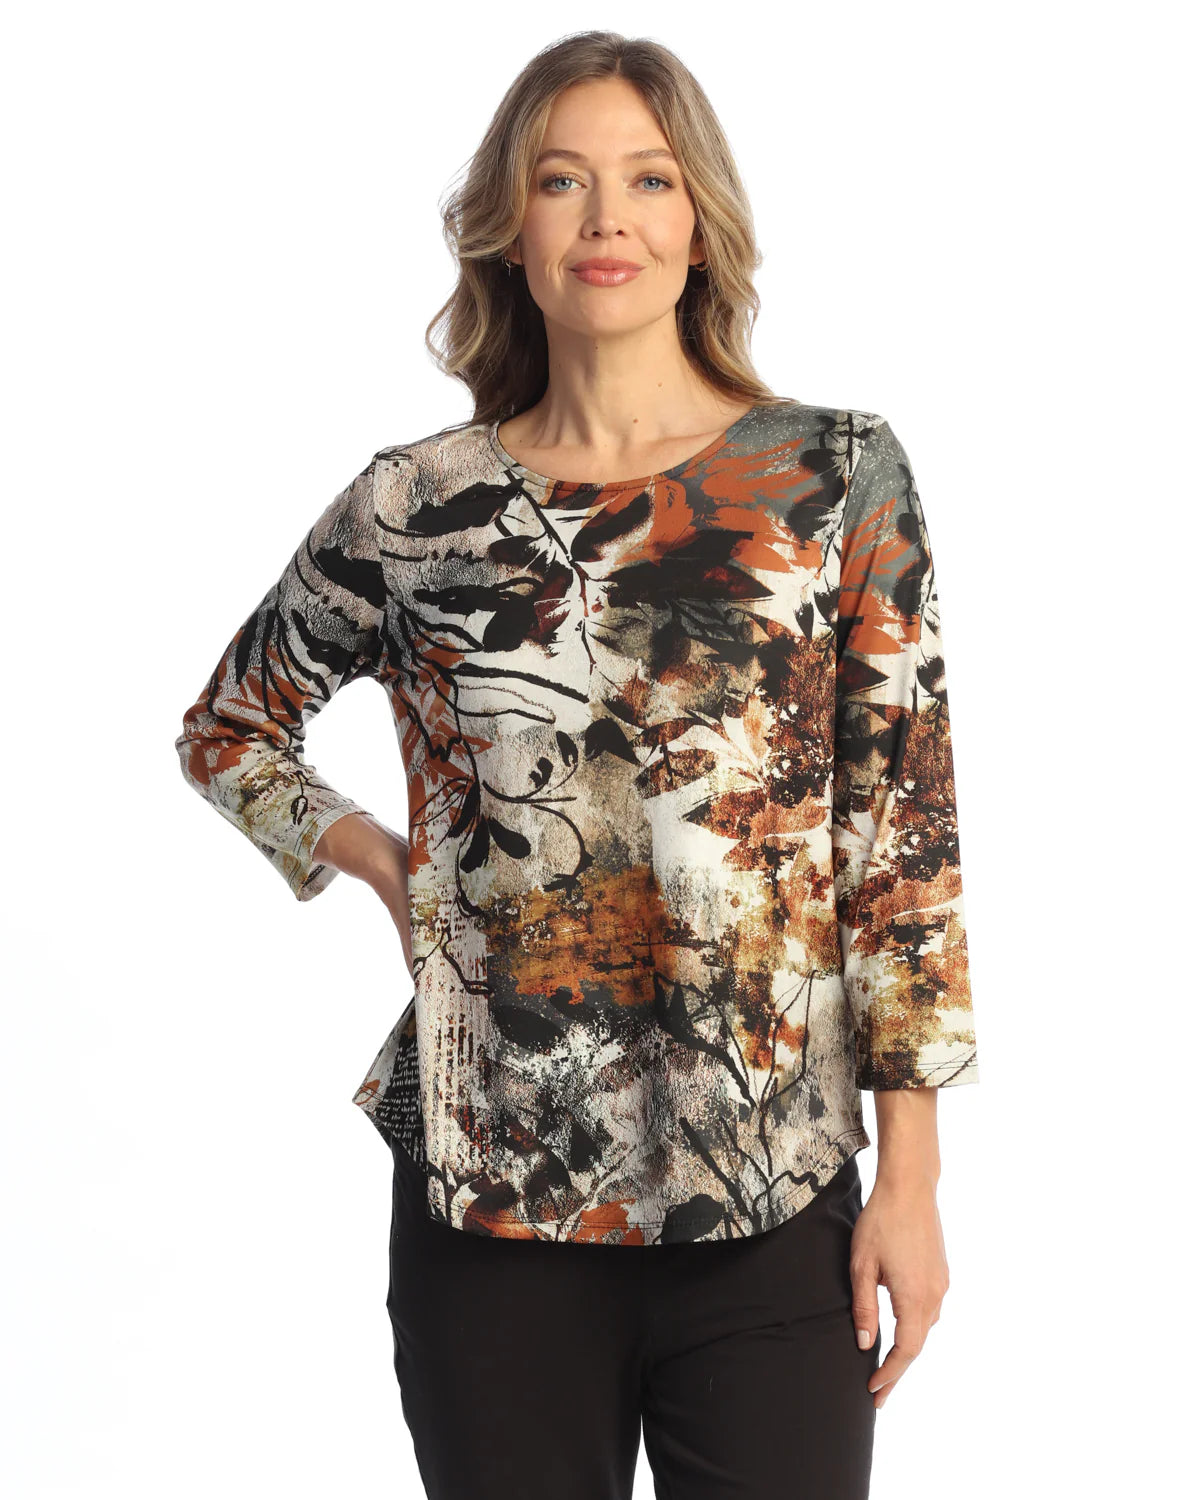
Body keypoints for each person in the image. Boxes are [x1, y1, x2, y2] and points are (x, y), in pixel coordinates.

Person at [174, 30, 979, 1500]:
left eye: (649, 180)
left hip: (771, 1188)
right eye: (562, 181)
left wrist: (911, 1180)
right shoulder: (416, 506)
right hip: (491, 1203)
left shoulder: (835, 477)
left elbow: (900, 844)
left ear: (700, 226)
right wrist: (380, 864)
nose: (608, 217)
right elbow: (229, 729)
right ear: (510, 231)